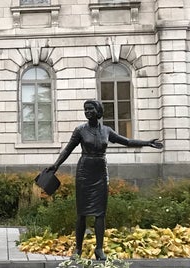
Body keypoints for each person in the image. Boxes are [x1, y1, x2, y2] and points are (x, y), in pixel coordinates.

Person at [46, 100, 163, 260]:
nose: (87, 112)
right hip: (84, 172)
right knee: (82, 213)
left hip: (100, 172)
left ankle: (99, 249)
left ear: (98, 111)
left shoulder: (106, 131)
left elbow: (127, 142)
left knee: (100, 213)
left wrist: (147, 143)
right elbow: (68, 149)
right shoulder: (80, 130)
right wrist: (56, 165)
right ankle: (78, 250)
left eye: (90, 109)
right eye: (85, 109)